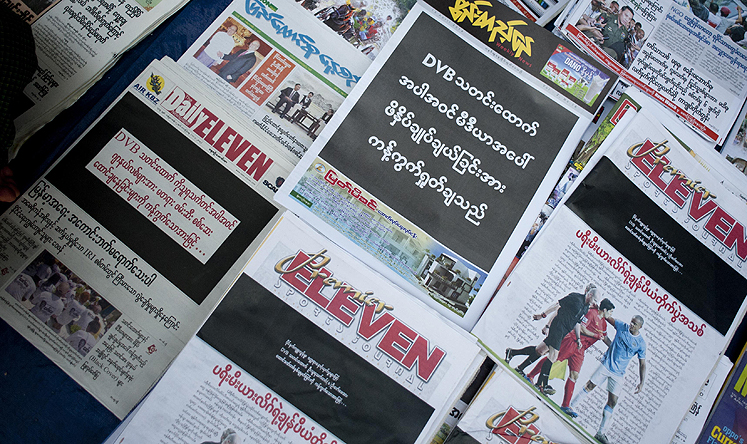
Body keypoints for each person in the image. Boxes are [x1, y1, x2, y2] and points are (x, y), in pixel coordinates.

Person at [566, 315, 647, 444]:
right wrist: (598, 308)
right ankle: (569, 407)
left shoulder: (641, 344)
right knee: (590, 386)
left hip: (618, 374)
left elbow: (642, 364)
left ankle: (600, 433)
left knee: (613, 402)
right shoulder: (622, 326)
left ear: (640, 327)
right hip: (606, 365)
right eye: (631, 321)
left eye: (635, 324)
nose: (631, 324)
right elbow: (607, 317)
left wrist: (642, 383)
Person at [505, 283, 599, 391]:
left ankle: (513, 355)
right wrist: (543, 315)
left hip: (564, 331)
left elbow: (577, 323)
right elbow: (557, 305)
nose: (595, 303)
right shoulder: (575, 297)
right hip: (558, 326)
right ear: (590, 294)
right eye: (595, 300)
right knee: (553, 356)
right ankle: (542, 385)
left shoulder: (586, 308)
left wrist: (578, 339)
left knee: (539, 351)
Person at [526, 298, 615, 410]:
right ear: (605, 310)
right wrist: (595, 335)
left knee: (574, 375)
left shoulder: (603, 324)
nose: (611, 314)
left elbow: (605, 338)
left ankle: (565, 405)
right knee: (552, 359)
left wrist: (614, 348)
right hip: (572, 341)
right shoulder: (592, 313)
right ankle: (530, 375)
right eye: (610, 311)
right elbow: (581, 328)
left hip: (581, 350)